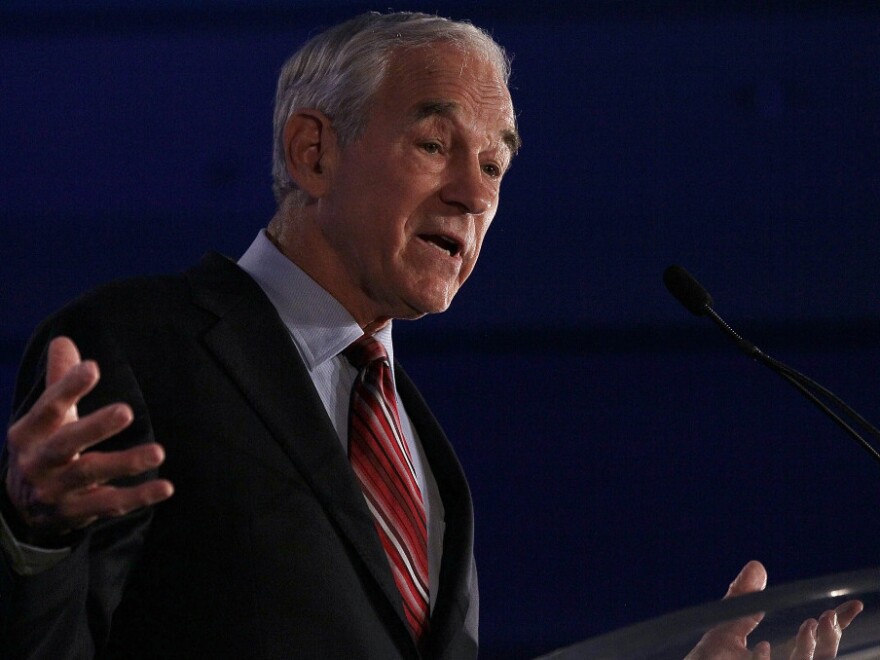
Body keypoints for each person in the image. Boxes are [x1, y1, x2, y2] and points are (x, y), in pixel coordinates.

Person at [0, 11, 863, 660]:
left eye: (494, 165)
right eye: (435, 143)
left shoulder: (425, 458)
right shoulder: (139, 343)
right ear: (313, 153)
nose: (476, 195)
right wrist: (34, 538)